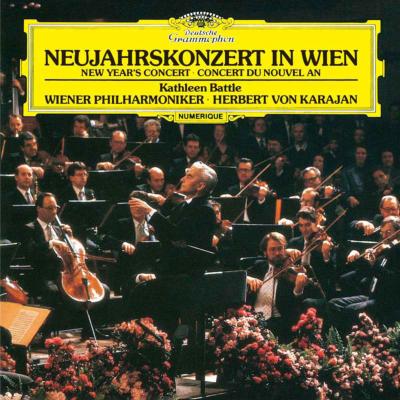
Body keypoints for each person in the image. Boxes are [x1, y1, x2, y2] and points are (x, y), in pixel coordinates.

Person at [329, 216, 400, 333]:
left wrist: (374, 264)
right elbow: (368, 272)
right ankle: (336, 339)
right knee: (334, 304)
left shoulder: (396, 252)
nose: (384, 236)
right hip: (372, 296)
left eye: (388, 232)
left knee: (349, 310)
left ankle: (349, 340)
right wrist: (362, 259)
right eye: (382, 232)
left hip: (386, 300)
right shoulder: (385, 252)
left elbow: (393, 279)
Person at [246, 232, 308, 341]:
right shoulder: (259, 266)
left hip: (280, 322)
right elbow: (238, 276)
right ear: (265, 252)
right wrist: (248, 279)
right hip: (253, 320)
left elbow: (296, 306)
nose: (277, 253)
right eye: (272, 249)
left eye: (280, 248)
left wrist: (298, 290)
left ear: (285, 249)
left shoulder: (292, 272)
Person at [225, 158, 274, 223]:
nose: (243, 172)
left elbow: (267, 216)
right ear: (237, 171)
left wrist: (261, 199)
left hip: (255, 226)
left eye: (246, 170)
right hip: (236, 225)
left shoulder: (259, 189)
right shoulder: (231, 190)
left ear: (252, 172)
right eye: (240, 170)